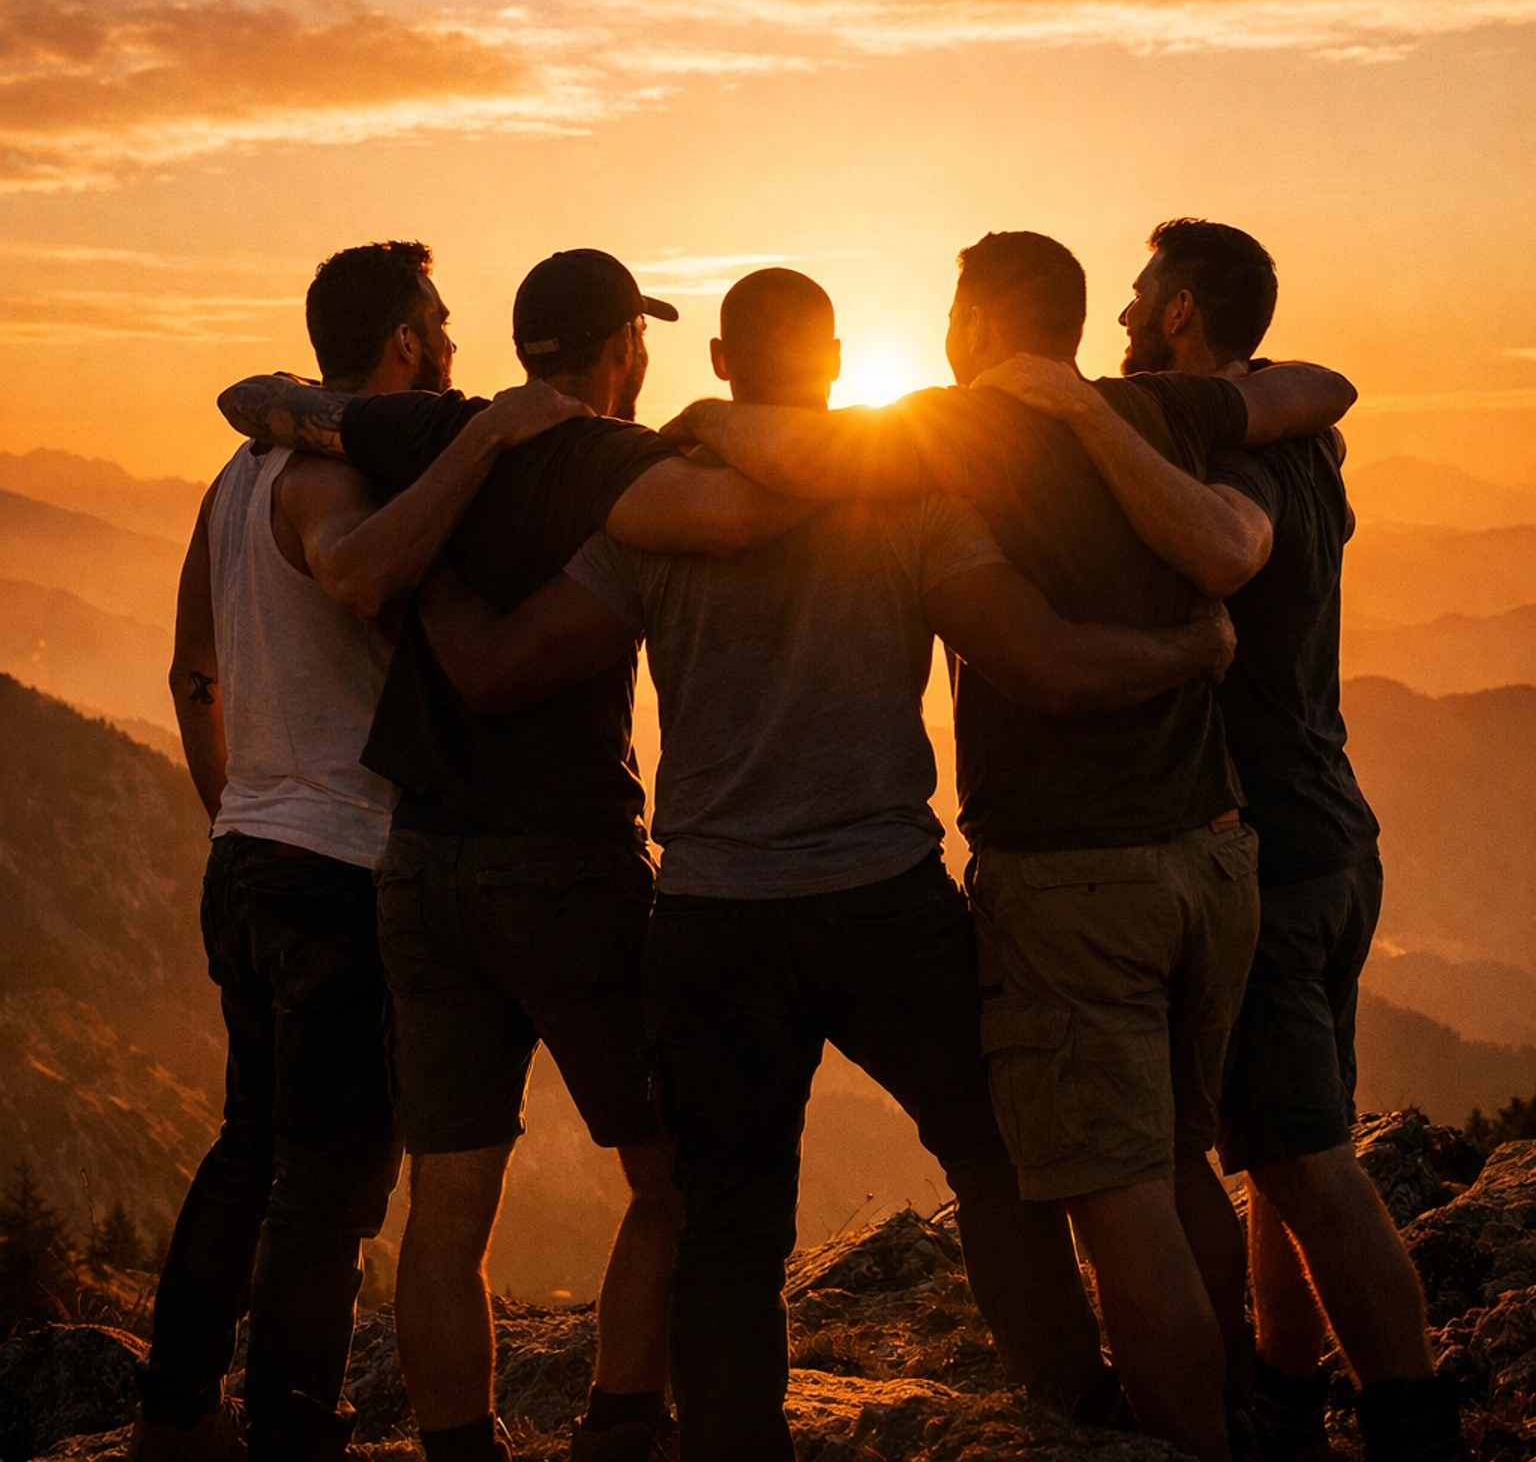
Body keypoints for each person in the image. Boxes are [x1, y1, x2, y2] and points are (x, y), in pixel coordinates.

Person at [414, 266, 1240, 1462]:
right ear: (843, 360)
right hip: (883, 905)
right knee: (994, 1157)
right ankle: (1069, 1411)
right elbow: (1049, 666)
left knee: (732, 1226)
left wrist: (423, 577)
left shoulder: (656, 518)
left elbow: (496, 670)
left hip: (709, 920)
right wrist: (1189, 648)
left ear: (717, 367)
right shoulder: (903, 501)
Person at [658, 231, 1357, 1462]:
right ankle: (1163, 1409)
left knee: (752, 1210)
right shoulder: (1137, 418)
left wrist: (702, 427)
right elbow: (1320, 390)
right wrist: (1187, 653)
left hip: (878, 888)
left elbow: (1036, 658)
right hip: (1148, 860)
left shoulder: (916, 447)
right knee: (1090, 1158)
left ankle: (1143, 1432)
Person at [217, 249, 823, 1462]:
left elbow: (254, 398)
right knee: (671, 1174)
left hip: (420, 862)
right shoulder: (605, 459)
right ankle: (619, 1422)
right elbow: (742, 513)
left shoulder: (428, 431)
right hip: (562, 864)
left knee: (451, 1193)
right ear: (621, 351)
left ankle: (461, 1448)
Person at [138, 242, 579, 1462]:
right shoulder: (329, 476)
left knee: (252, 1149)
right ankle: (290, 1434)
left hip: (252, 855)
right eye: (438, 320)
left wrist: (236, 810)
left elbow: (191, 671)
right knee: (331, 1188)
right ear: (402, 341)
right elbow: (354, 573)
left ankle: (174, 1418)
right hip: (337, 868)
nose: (450, 338)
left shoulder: (233, 477)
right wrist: (487, 445)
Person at [1109, 219, 1461, 1462]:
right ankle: (1285, 1391)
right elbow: (1331, 401)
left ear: (1188, 312)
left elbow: (1228, 546)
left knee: (1306, 1160)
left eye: (1142, 296)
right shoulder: (1302, 434)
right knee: (1276, 1143)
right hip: (1336, 828)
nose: (1123, 315)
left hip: (1276, 852)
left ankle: (1416, 1429)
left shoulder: (1241, 464)